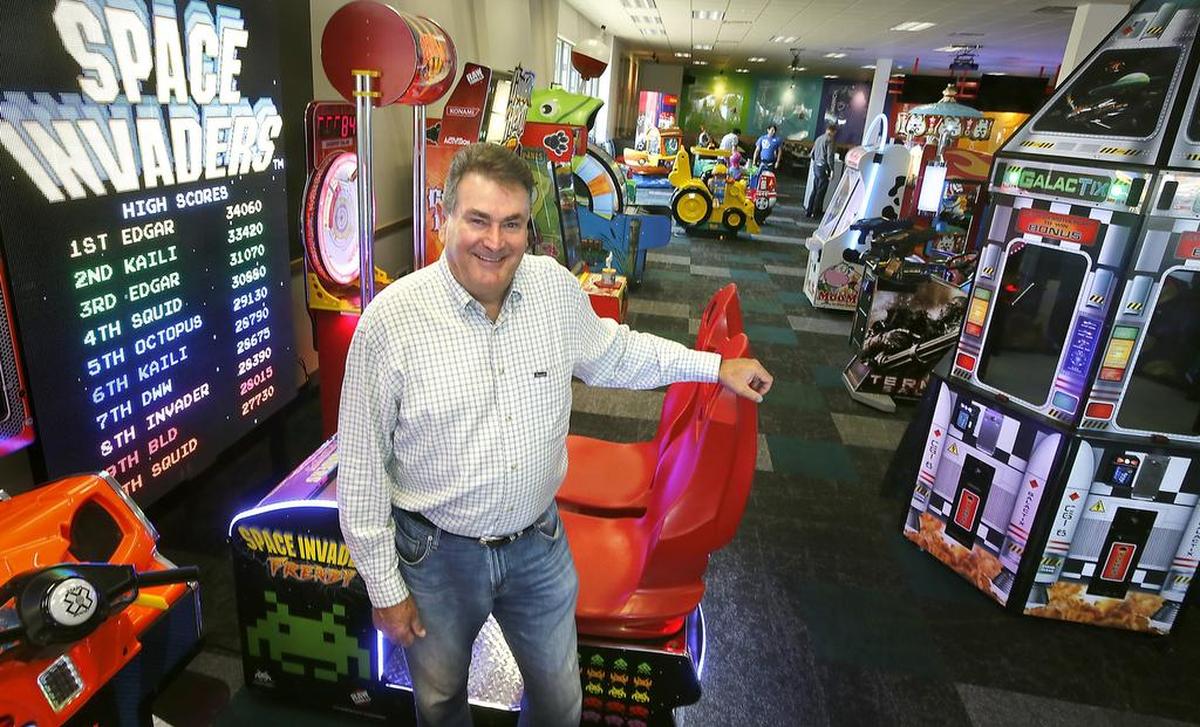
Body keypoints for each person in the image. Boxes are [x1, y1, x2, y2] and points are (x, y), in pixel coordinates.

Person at [337, 143, 773, 727]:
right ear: (444, 220)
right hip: (437, 556)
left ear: (527, 226)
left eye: (512, 223)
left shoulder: (551, 289)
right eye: (478, 220)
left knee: (560, 699)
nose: (495, 240)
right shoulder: (390, 325)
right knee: (439, 701)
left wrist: (714, 367)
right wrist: (385, 587)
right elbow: (362, 475)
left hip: (537, 544)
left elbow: (615, 354)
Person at [806, 123, 838, 219]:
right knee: (821, 191)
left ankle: (809, 210)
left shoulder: (819, 138)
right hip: (824, 168)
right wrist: (832, 170)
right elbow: (829, 156)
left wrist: (817, 161)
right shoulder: (830, 140)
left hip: (816, 166)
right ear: (833, 131)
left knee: (815, 189)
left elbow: (812, 154)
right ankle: (816, 213)